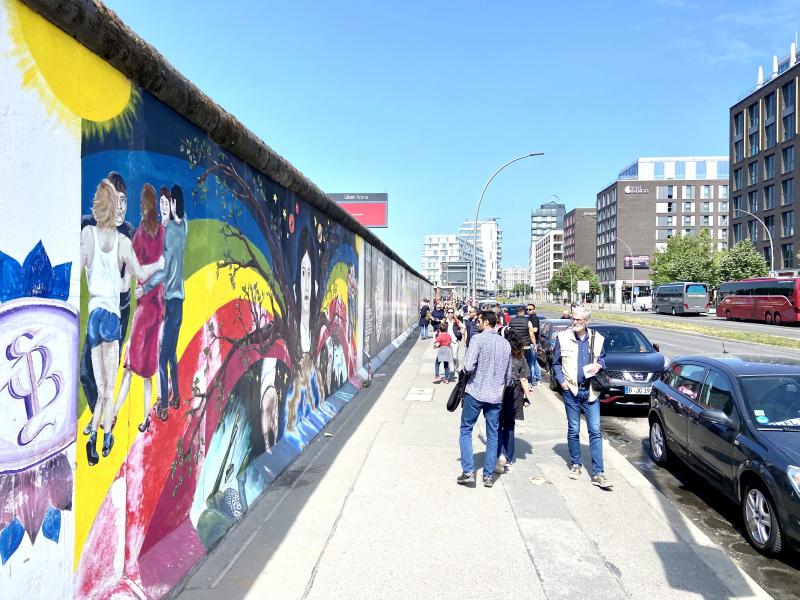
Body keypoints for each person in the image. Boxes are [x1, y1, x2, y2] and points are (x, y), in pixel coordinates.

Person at [80, 179, 164, 465]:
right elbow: (138, 276)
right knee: (107, 390)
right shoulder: (124, 242)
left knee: (98, 383)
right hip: (113, 320)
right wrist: (159, 265)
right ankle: (104, 438)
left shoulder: (88, 235)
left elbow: (78, 269)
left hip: (94, 317)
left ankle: (92, 436)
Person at [80, 171, 134, 435]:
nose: (120, 207)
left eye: (124, 201)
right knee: (86, 374)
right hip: (99, 313)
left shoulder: (129, 235)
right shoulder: (90, 226)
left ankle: (103, 422)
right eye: (115, 201)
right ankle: (102, 418)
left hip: (118, 313)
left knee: (107, 379)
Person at [113, 184, 166, 433]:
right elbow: (165, 268)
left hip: (144, 309)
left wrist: (134, 285)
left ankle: (113, 414)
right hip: (158, 309)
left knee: (129, 368)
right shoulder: (163, 233)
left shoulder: (139, 236)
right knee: (147, 372)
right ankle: (145, 418)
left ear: (141, 207)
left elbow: (133, 272)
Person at [139, 184, 187, 422]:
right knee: (171, 353)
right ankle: (177, 395)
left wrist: (145, 286)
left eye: (169, 204)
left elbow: (164, 272)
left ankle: (165, 406)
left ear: (173, 205)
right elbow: (181, 219)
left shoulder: (170, 234)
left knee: (162, 358)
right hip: (180, 301)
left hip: (171, 302)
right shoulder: (184, 227)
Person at [552, 306, 613, 489]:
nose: (575, 322)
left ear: (587, 321)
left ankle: (598, 473)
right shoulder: (563, 338)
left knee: (595, 431)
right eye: (573, 319)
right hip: (571, 391)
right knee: (573, 429)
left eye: (578, 320)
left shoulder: (597, 339)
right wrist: (562, 383)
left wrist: (599, 365)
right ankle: (576, 464)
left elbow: (603, 358)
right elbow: (555, 363)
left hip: (591, 392)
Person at [457, 311, 512, 488]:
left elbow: (468, 366)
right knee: (493, 434)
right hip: (496, 396)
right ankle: (488, 476)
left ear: (486, 322)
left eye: (479, 320)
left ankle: (468, 472)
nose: (476, 323)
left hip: (475, 391)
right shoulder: (505, 344)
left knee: (466, 429)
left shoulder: (477, 339)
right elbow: (509, 376)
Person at [497, 327, 531, 473]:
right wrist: (528, 397)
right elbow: (523, 378)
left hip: (499, 391)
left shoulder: (500, 354)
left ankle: (499, 454)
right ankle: (509, 458)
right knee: (510, 426)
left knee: (497, 424)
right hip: (515, 393)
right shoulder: (520, 356)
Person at [526, 304, 543, 386]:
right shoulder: (530, 317)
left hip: (533, 343)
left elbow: (535, 330)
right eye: (527, 309)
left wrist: (528, 328)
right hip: (533, 343)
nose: (528, 310)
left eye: (530, 309)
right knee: (535, 361)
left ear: (534, 310)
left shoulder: (534, 318)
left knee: (531, 362)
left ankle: (530, 381)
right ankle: (539, 379)